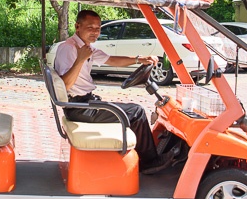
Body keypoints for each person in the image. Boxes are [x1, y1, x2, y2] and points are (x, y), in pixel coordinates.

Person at [54, 10, 169, 174]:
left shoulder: (86, 48)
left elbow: (111, 60)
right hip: (79, 107)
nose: (95, 32)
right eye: (90, 27)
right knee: (136, 112)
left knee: (129, 109)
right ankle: (150, 163)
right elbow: (65, 85)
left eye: (98, 28)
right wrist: (80, 59)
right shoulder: (69, 49)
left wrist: (138, 60)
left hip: (86, 102)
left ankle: (144, 156)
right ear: (77, 26)